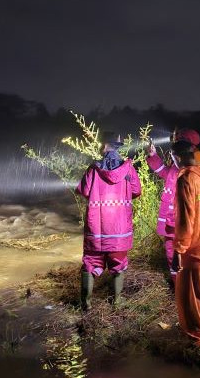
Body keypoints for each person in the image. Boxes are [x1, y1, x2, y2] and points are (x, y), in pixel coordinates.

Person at [76, 131, 141, 310]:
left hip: (96, 229)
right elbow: (137, 191)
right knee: (118, 264)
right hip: (120, 230)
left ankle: (86, 305)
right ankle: (117, 301)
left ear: (105, 146)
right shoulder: (128, 169)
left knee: (90, 263)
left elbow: (83, 191)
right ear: (117, 147)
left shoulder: (93, 169)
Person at [171, 139, 200, 348]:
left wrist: (178, 250)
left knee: (193, 295)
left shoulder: (186, 180)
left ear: (177, 157)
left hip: (193, 247)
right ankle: (193, 332)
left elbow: (185, 220)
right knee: (192, 293)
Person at [145, 128, 200, 287]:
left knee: (184, 253)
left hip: (182, 220)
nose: (173, 141)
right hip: (171, 221)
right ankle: (179, 284)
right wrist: (152, 156)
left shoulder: (191, 168)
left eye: (177, 140)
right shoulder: (178, 165)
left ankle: (186, 285)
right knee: (172, 252)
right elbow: (163, 172)